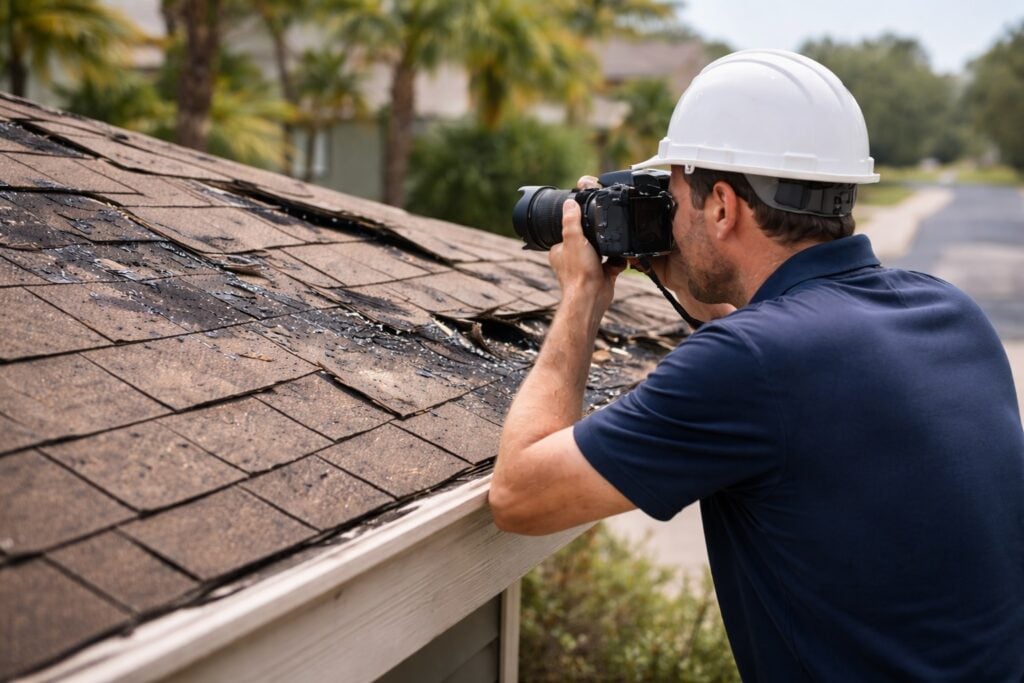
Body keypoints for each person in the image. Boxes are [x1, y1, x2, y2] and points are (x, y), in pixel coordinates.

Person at [488, 49, 1024, 681]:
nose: (672, 217)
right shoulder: (949, 311)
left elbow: (519, 495)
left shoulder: (748, 363)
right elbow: (794, 384)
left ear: (721, 206)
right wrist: (694, 280)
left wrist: (582, 294)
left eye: (677, 198)